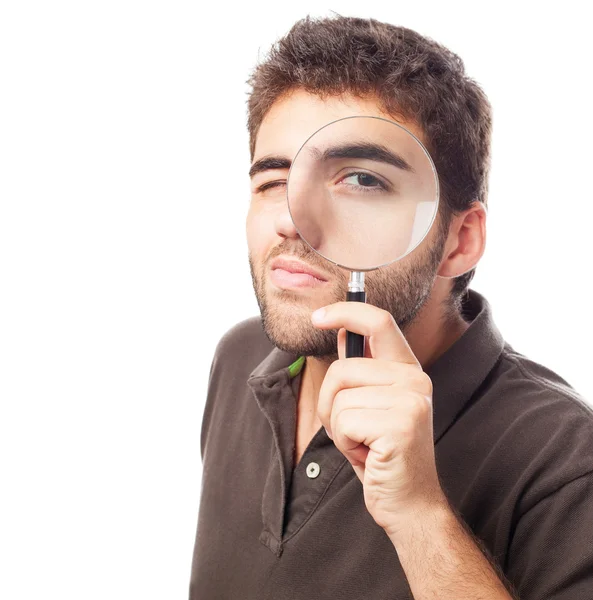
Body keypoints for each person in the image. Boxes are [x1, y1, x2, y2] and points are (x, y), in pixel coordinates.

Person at [188, 15, 593, 600]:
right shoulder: (241, 356)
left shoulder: (567, 462)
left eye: (360, 179)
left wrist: (419, 516)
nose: (291, 218)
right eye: (274, 179)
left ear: (459, 240)